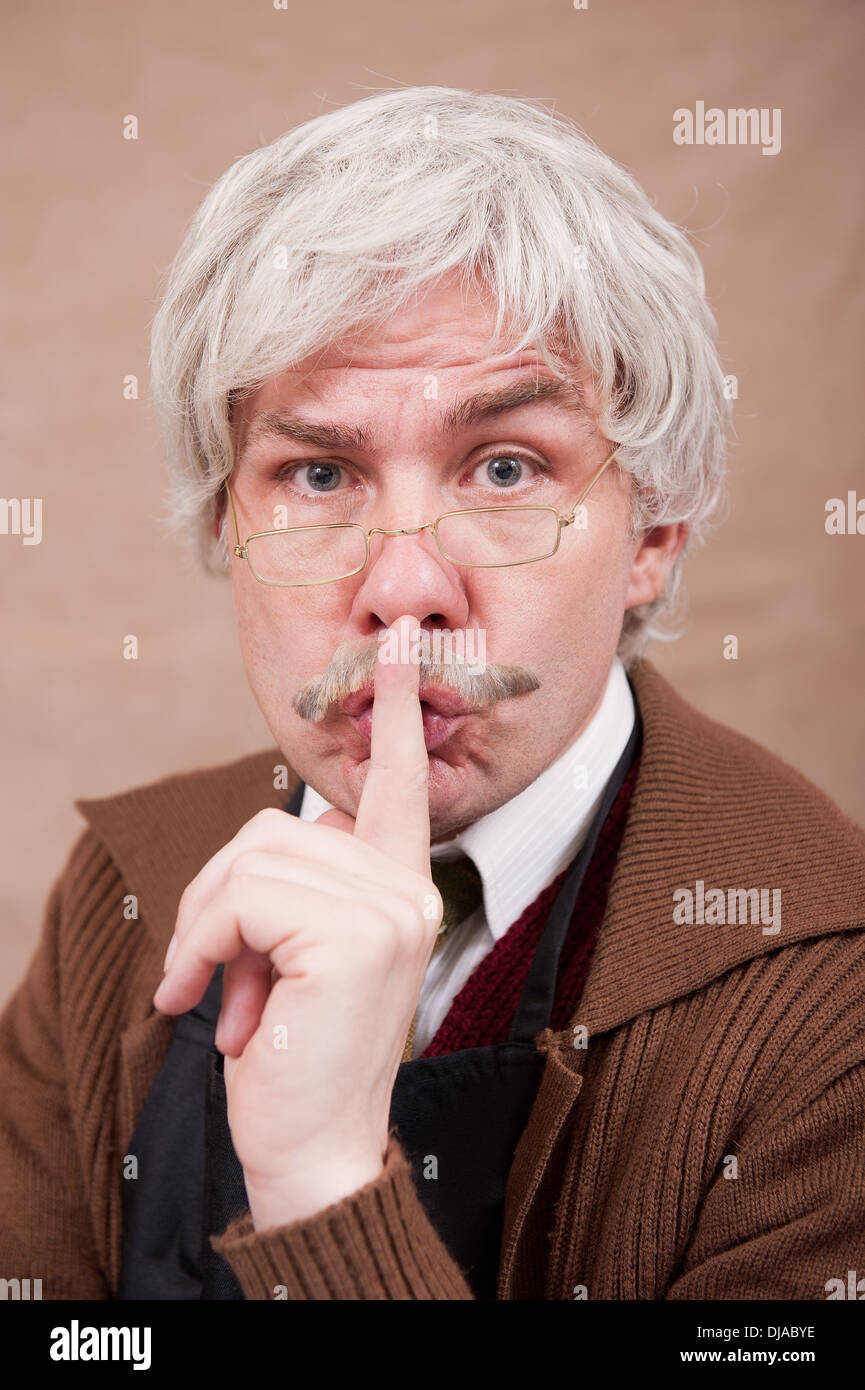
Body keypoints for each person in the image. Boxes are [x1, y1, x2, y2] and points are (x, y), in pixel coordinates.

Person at [1, 86, 863, 1302]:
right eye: (316, 473)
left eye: (505, 467)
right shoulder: (126, 896)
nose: (403, 586)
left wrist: (324, 1184)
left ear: (652, 531)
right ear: (221, 520)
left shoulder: (835, 1011)